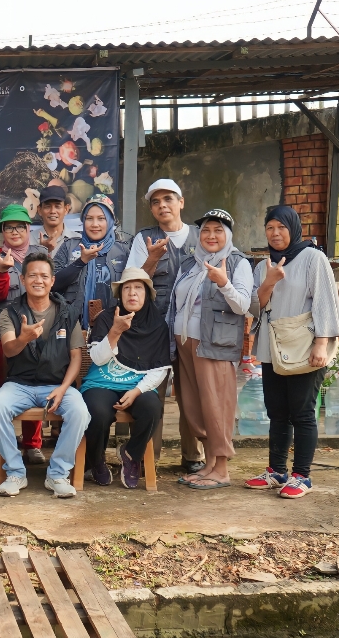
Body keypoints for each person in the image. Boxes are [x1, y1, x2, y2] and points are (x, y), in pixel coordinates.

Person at [244, 205, 339, 499]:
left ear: (294, 228)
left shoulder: (313, 258)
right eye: (270, 228)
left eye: (281, 227)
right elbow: (254, 307)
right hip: (272, 348)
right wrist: (270, 281)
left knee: (302, 412)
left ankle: (302, 476)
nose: (275, 233)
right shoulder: (262, 266)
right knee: (277, 412)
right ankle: (277, 471)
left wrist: (321, 344)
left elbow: (325, 302)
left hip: (304, 347)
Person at [0, 252, 90, 498]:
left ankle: (58, 474)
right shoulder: (9, 312)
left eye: (44, 276)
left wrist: (63, 388)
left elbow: (76, 357)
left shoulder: (67, 313)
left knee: (80, 412)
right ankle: (15, 472)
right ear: (22, 279)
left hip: (56, 384)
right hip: (19, 384)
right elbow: (8, 350)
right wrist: (23, 338)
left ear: (52, 281)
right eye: (32, 275)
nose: (38, 280)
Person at [169, 209, 252, 490]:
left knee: (217, 406)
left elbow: (243, 305)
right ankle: (209, 465)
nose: (211, 235)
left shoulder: (238, 262)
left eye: (218, 230)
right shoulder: (190, 263)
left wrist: (223, 282)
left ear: (227, 234)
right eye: (206, 230)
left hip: (214, 344)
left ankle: (222, 470)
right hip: (184, 343)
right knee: (194, 406)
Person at [126, 178, 204, 474]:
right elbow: (132, 282)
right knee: (150, 392)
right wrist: (151, 260)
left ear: (181, 202)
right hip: (153, 329)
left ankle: (193, 455)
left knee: (191, 393)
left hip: (191, 329)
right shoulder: (144, 239)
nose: (162, 206)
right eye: (156, 202)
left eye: (168, 199)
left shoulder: (201, 236)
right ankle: (147, 457)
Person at [81, 268, 169, 488]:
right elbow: (97, 358)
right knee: (97, 412)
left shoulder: (158, 325)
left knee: (152, 408)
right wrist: (115, 331)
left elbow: (159, 368)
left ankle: (131, 455)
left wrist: (137, 391)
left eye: (138, 288)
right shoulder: (106, 318)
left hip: (137, 385)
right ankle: (96, 460)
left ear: (147, 294)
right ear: (120, 294)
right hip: (102, 382)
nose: (132, 293)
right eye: (127, 288)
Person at [0, 203, 49, 465]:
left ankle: (32, 444)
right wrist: (2, 271)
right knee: (2, 384)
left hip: (37, 325)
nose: (14, 232)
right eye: (8, 227)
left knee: (35, 379)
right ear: (2, 232)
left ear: (27, 229)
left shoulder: (42, 254)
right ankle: (4, 441)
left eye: (19, 227)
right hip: (5, 328)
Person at [53, 194, 130, 329]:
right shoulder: (69, 246)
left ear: (110, 221)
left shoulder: (123, 251)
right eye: (89, 218)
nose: (95, 224)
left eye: (101, 218)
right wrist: (81, 262)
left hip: (113, 327)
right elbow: (52, 284)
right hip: (73, 327)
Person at [30, 186, 80, 258]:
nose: (53, 211)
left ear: (66, 209)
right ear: (39, 210)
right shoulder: (29, 240)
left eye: (57, 206)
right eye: (47, 206)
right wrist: (43, 251)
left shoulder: (77, 240)